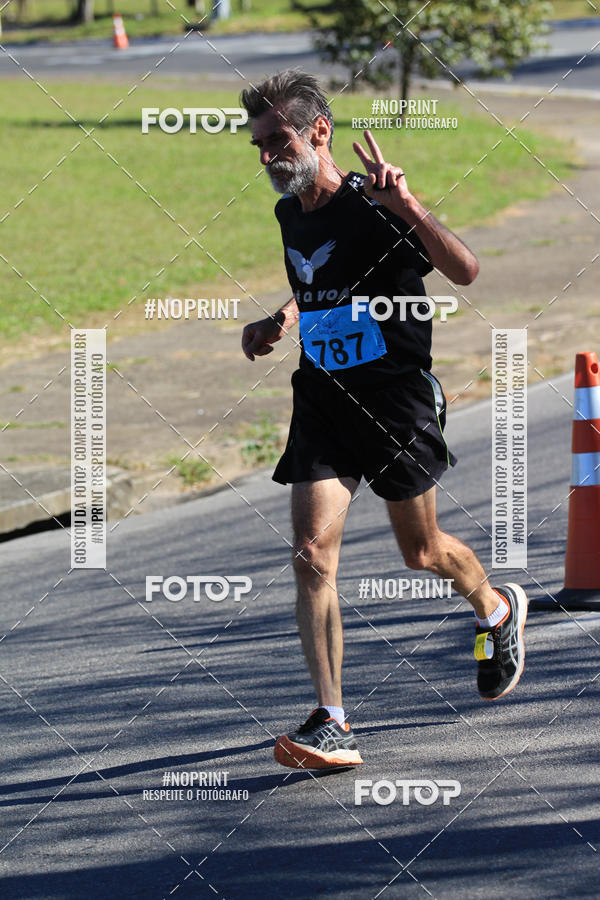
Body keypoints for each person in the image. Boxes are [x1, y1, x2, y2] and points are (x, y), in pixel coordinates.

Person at [240, 69, 527, 770]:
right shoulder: (291, 215)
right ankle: (331, 720)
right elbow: (320, 281)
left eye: (277, 139)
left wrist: (410, 206)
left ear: (319, 132)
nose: (267, 155)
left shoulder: (376, 205)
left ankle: (495, 610)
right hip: (324, 403)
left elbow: (465, 271)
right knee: (312, 554)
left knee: (421, 552)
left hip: (396, 403)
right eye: (257, 145)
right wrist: (281, 316)